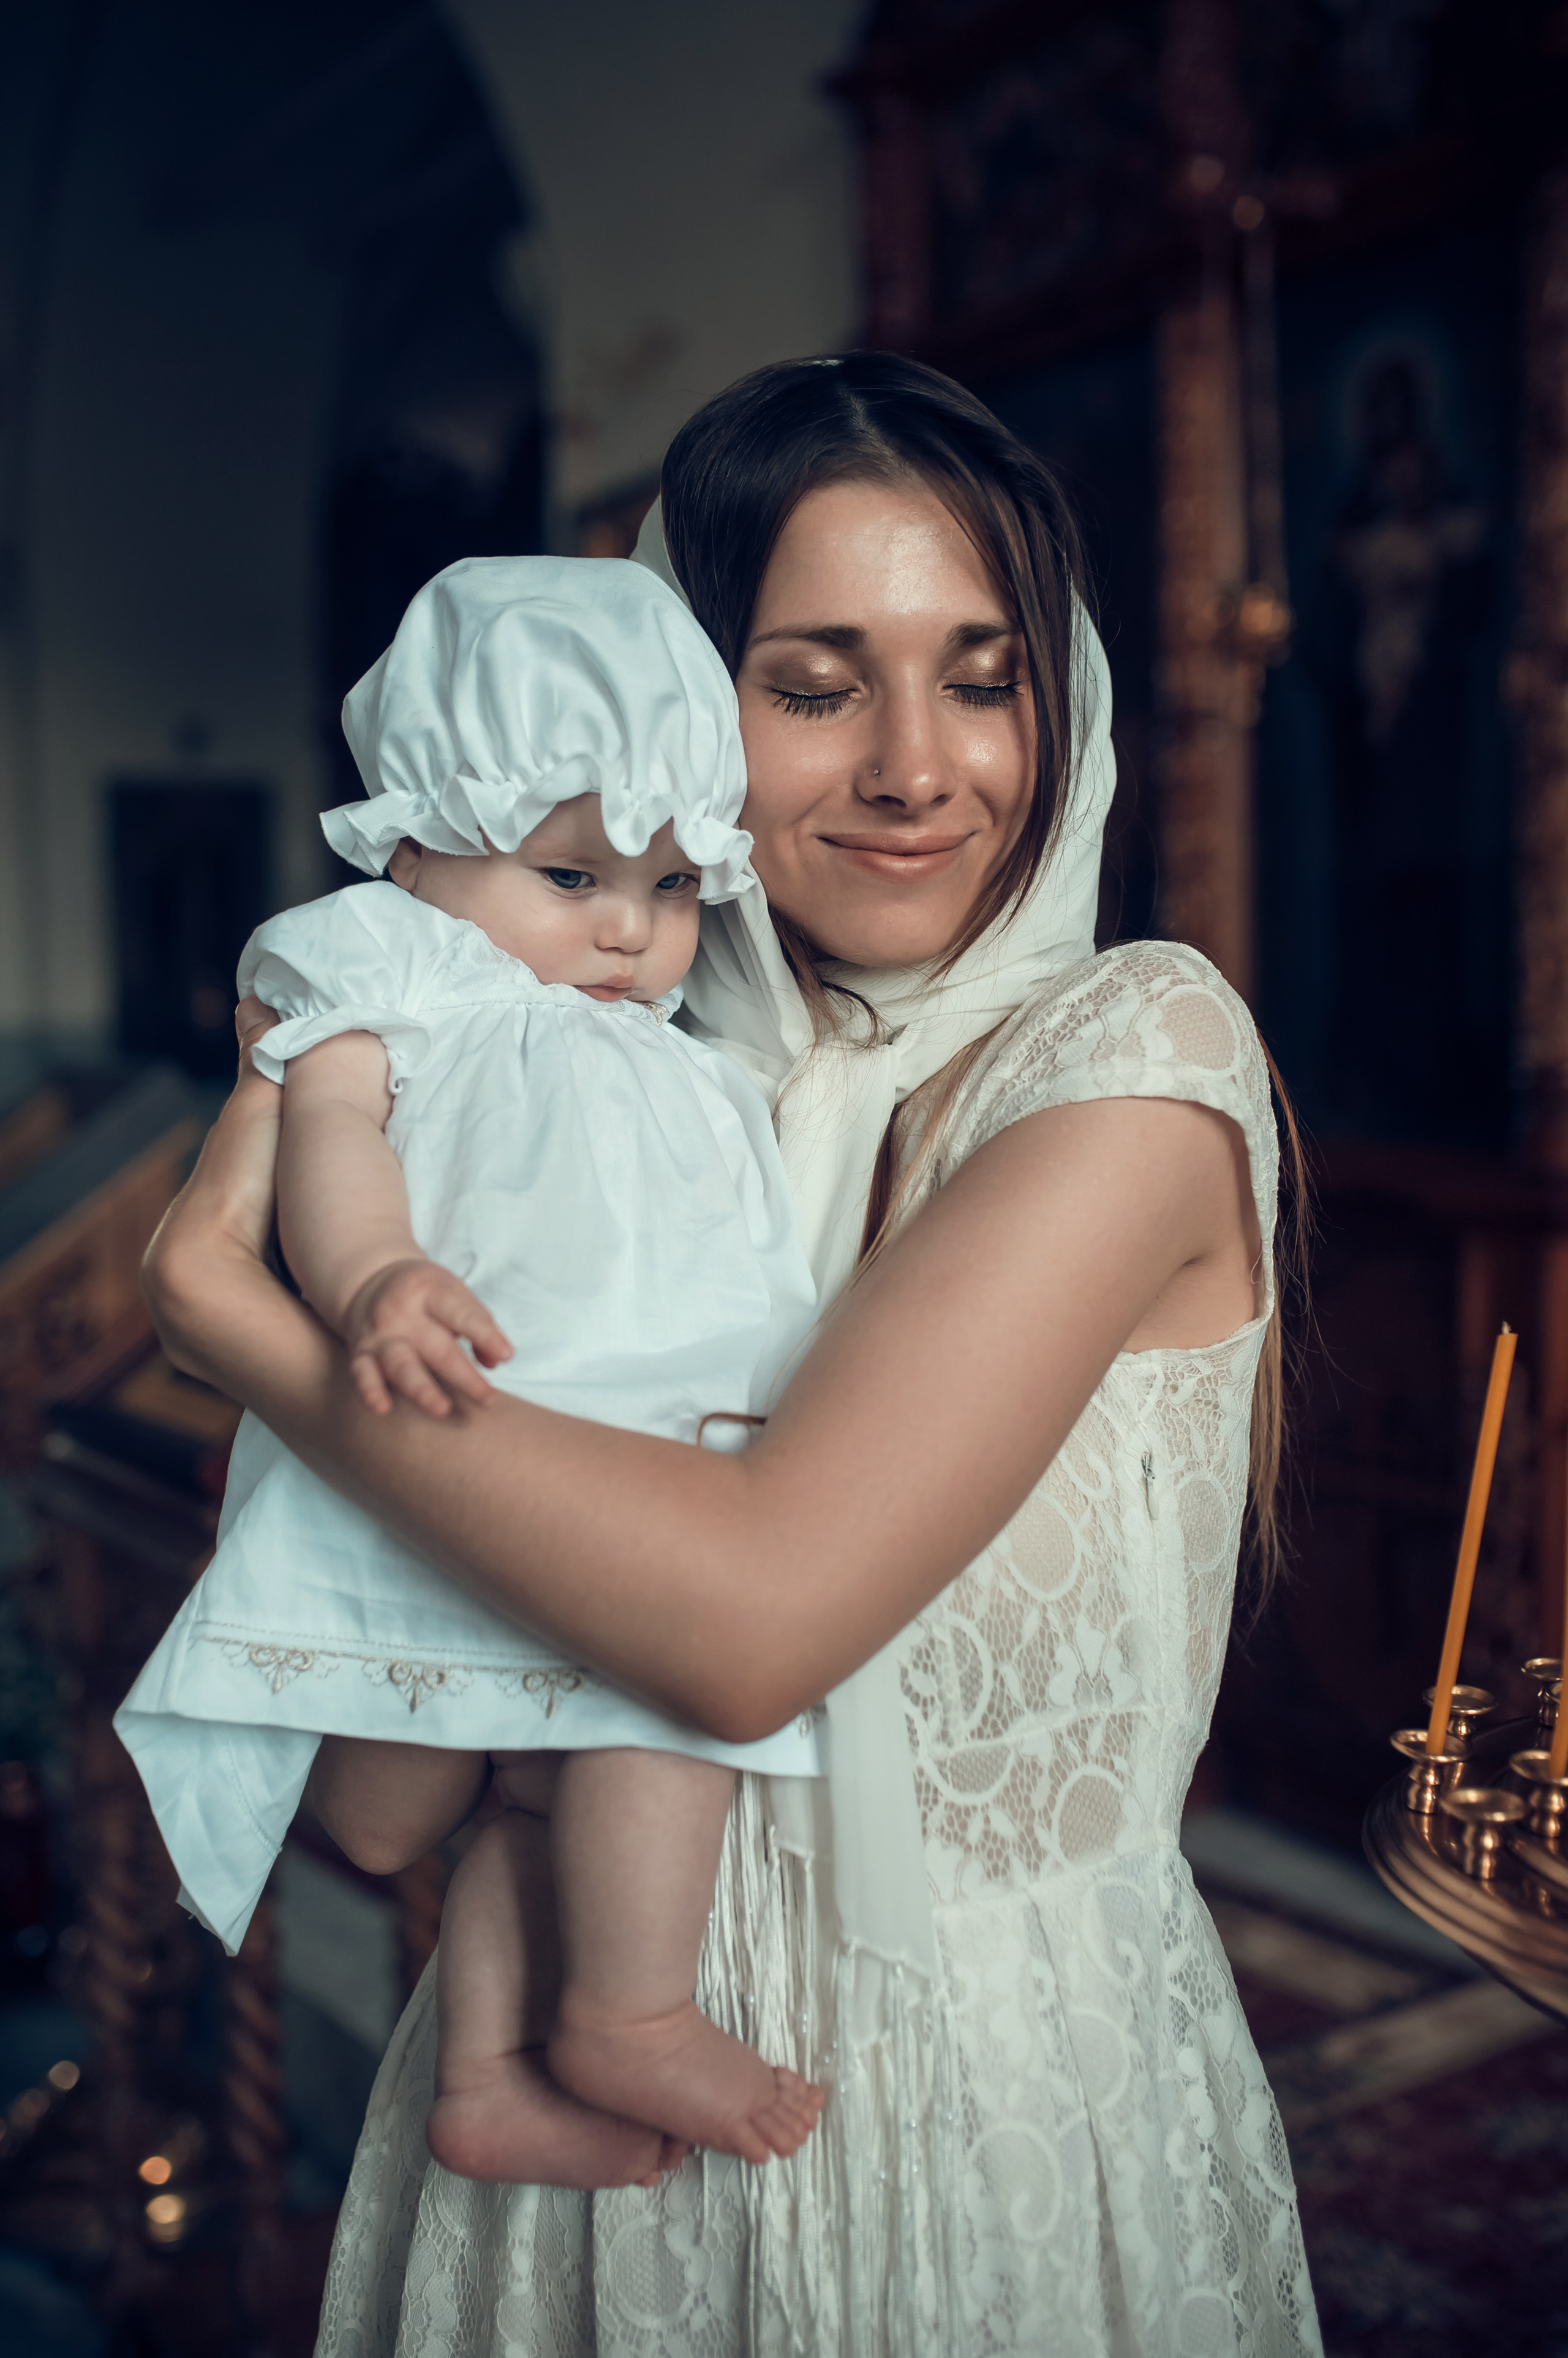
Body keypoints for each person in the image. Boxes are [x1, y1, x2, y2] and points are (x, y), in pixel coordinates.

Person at [143, 355, 1323, 2357]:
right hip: (575, 2149)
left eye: (983, 671)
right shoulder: (601, 1112)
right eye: (811, 684)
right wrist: (375, 1233)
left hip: (983, 2114)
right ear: (676, 723)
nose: (917, 766)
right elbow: (383, 1809)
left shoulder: (1138, 1056)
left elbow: (751, 1623)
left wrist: (250, 1323)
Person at [116, 557, 827, 2187]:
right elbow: (336, 1127)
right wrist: (375, 1275)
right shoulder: (405, 966)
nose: (629, 928)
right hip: (457, 1416)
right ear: (424, 840)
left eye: (667, 886)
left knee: (562, 1774)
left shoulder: (677, 1051)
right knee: (637, 1718)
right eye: (571, 871)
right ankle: (628, 2018)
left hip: (642, 1465)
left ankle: (499, 2066)